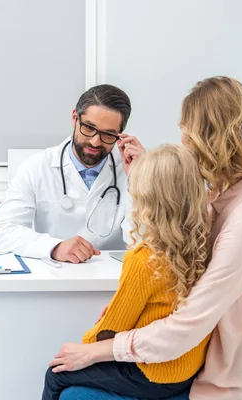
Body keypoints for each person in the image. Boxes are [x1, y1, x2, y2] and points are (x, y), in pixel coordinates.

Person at [49, 76, 242, 400]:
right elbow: (173, 228)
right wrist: (148, 174)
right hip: (195, 358)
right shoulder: (217, 199)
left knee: (69, 387)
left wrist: (97, 351)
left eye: (187, 132)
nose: (182, 140)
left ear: (210, 140)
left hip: (234, 378)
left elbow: (186, 327)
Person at [42, 145, 213, 400]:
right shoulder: (203, 246)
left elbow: (110, 329)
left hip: (152, 373)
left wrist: (85, 344)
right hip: (187, 368)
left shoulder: (143, 259)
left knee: (56, 374)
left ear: (146, 199)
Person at [0, 85, 133, 262]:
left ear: (120, 135)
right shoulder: (37, 167)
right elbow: (2, 230)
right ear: (75, 118)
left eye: (108, 135)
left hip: (115, 281)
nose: (95, 142)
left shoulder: (133, 171)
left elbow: (149, 242)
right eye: (88, 128)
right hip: (55, 280)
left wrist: (142, 180)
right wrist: (54, 247)